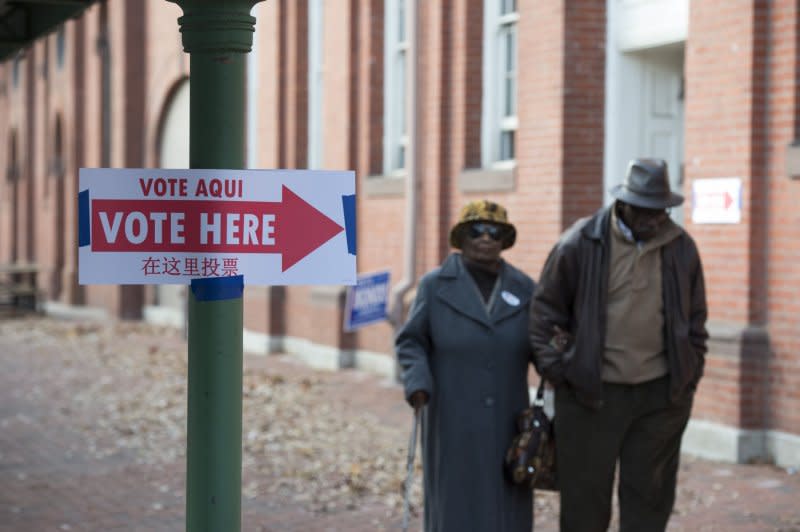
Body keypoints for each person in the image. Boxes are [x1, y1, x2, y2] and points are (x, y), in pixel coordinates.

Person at [529, 158, 708, 532]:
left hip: (660, 397)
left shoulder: (681, 248)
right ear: (624, 204)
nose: (655, 218)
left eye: (661, 210)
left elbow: (695, 321)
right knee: (585, 502)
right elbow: (544, 313)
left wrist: (688, 377)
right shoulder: (580, 242)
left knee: (650, 500)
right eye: (646, 209)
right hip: (591, 395)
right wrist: (564, 371)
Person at [396, 200, 536, 532]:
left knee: (506, 503)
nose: (486, 238)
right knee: (454, 500)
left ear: (505, 240)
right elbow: (411, 341)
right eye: (477, 230)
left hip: (508, 415)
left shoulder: (524, 287)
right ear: (462, 237)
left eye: (495, 231)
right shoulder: (434, 285)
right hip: (450, 414)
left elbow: (541, 344)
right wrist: (417, 382)